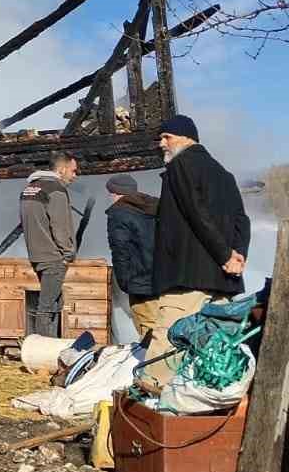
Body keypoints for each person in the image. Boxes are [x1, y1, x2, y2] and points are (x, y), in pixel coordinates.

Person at [149, 114, 250, 380]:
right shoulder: (223, 173)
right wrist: (237, 256)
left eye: (166, 137)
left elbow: (196, 213)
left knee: (169, 345)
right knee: (213, 352)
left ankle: (151, 408)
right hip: (222, 281)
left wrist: (226, 255)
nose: (161, 143)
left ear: (186, 138)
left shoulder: (181, 165)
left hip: (186, 277)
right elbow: (242, 220)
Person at [20, 152, 79, 338]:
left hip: (36, 254)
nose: (75, 175)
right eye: (73, 171)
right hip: (54, 257)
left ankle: (50, 347)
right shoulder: (56, 190)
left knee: (53, 303)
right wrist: (68, 253)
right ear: (62, 170)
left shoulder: (29, 188)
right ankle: (42, 351)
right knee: (46, 307)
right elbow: (60, 227)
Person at [104, 173, 158, 304]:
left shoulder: (119, 213)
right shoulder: (153, 208)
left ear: (116, 193)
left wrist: (123, 281)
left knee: (145, 322)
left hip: (137, 283)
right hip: (159, 279)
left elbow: (120, 249)